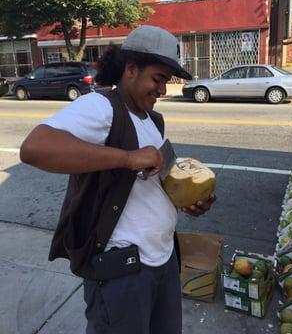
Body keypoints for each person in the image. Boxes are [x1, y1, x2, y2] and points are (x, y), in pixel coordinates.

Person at [20, 25, 216, 334]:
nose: (162, 91)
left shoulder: (153, 119)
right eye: (158, 79)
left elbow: (158, 182)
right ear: (131, 69)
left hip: (163, 260)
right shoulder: (101, 107)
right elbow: (34, 148)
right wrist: (127, 158)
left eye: (166, 82)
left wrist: (188, 200)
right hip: (124, 272)